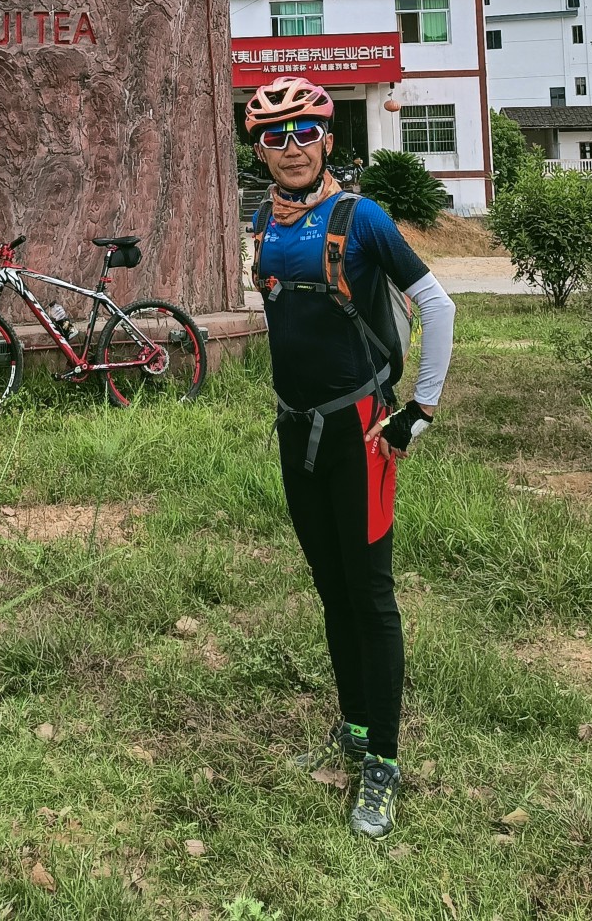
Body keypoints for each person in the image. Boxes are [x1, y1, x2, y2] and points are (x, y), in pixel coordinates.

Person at [245, 75, 456, 840]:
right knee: (331, 587)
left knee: (370, 595)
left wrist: (418, 412)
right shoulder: (265, 224)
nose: (292, 147)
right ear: (261, 149)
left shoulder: (361, 219)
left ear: (330, 140)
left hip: (362, 432)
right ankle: (356, 728)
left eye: (306, 133)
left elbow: (438, 304)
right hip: (293, 431)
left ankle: (384, 766)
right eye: (276, 136)